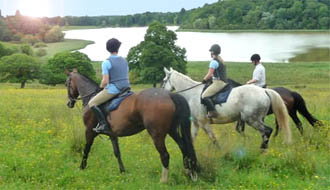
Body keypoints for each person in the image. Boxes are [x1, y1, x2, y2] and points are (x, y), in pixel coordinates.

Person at [88, 38, 130, 134]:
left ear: (107, 48)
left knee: (92, 103)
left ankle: (103, 125)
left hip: (114, 89)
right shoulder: (124, 60)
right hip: (126, 87)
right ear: (118, 48)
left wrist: (101, 88)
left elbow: (105, 81)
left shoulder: (106, 62)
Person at [201, 44, 227, 118]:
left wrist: (204, 80)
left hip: (218, 83)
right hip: (223, 81)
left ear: (213, 52)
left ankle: (213, 112)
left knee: (204, 95)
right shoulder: (220, 60)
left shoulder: (213, 62)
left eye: (211, 51)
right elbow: (215, 73)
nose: (210, 53)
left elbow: (210, 73)